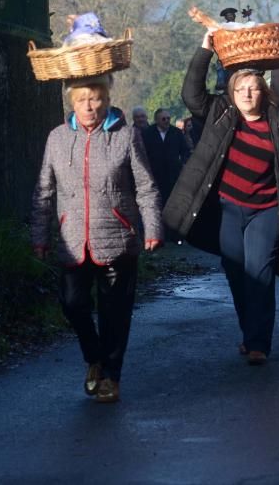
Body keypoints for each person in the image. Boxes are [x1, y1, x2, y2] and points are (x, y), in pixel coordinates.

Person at [163, 31, 279, 365]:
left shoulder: (278, 121)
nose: (247, 92)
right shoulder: (220, 113)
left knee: (259, 271)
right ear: (232, 90)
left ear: (263, 92)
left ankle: (259, 342)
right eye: (241, 87)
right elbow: (191, 94)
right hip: (228, 208)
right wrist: (205, 51)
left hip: (267, 210)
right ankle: (249, 333)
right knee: (235, 271)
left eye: (253, 87)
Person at [30, 76, 163, 404]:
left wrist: (154, 228)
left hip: (118, 238)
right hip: (73, 239)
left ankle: (111, 376)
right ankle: (94, 358)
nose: (89, 106)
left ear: (106, 100)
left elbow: (146, 186)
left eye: (95, 99)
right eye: (81, 100)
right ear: (71, 103)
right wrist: (40, 235)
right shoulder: (58, 138)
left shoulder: (126, 136)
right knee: (72, 303)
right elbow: (44, 191)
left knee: (115, 314)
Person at [142, 108, 191, 207]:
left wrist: (182, 163)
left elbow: (185, 151)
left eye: (168, 118)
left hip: (173, 175)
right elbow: (143, 153)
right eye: (163, 119)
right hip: (155, 175)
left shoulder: (176, 132)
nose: (167, 121)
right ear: (157, 120)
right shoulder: (147, 134)